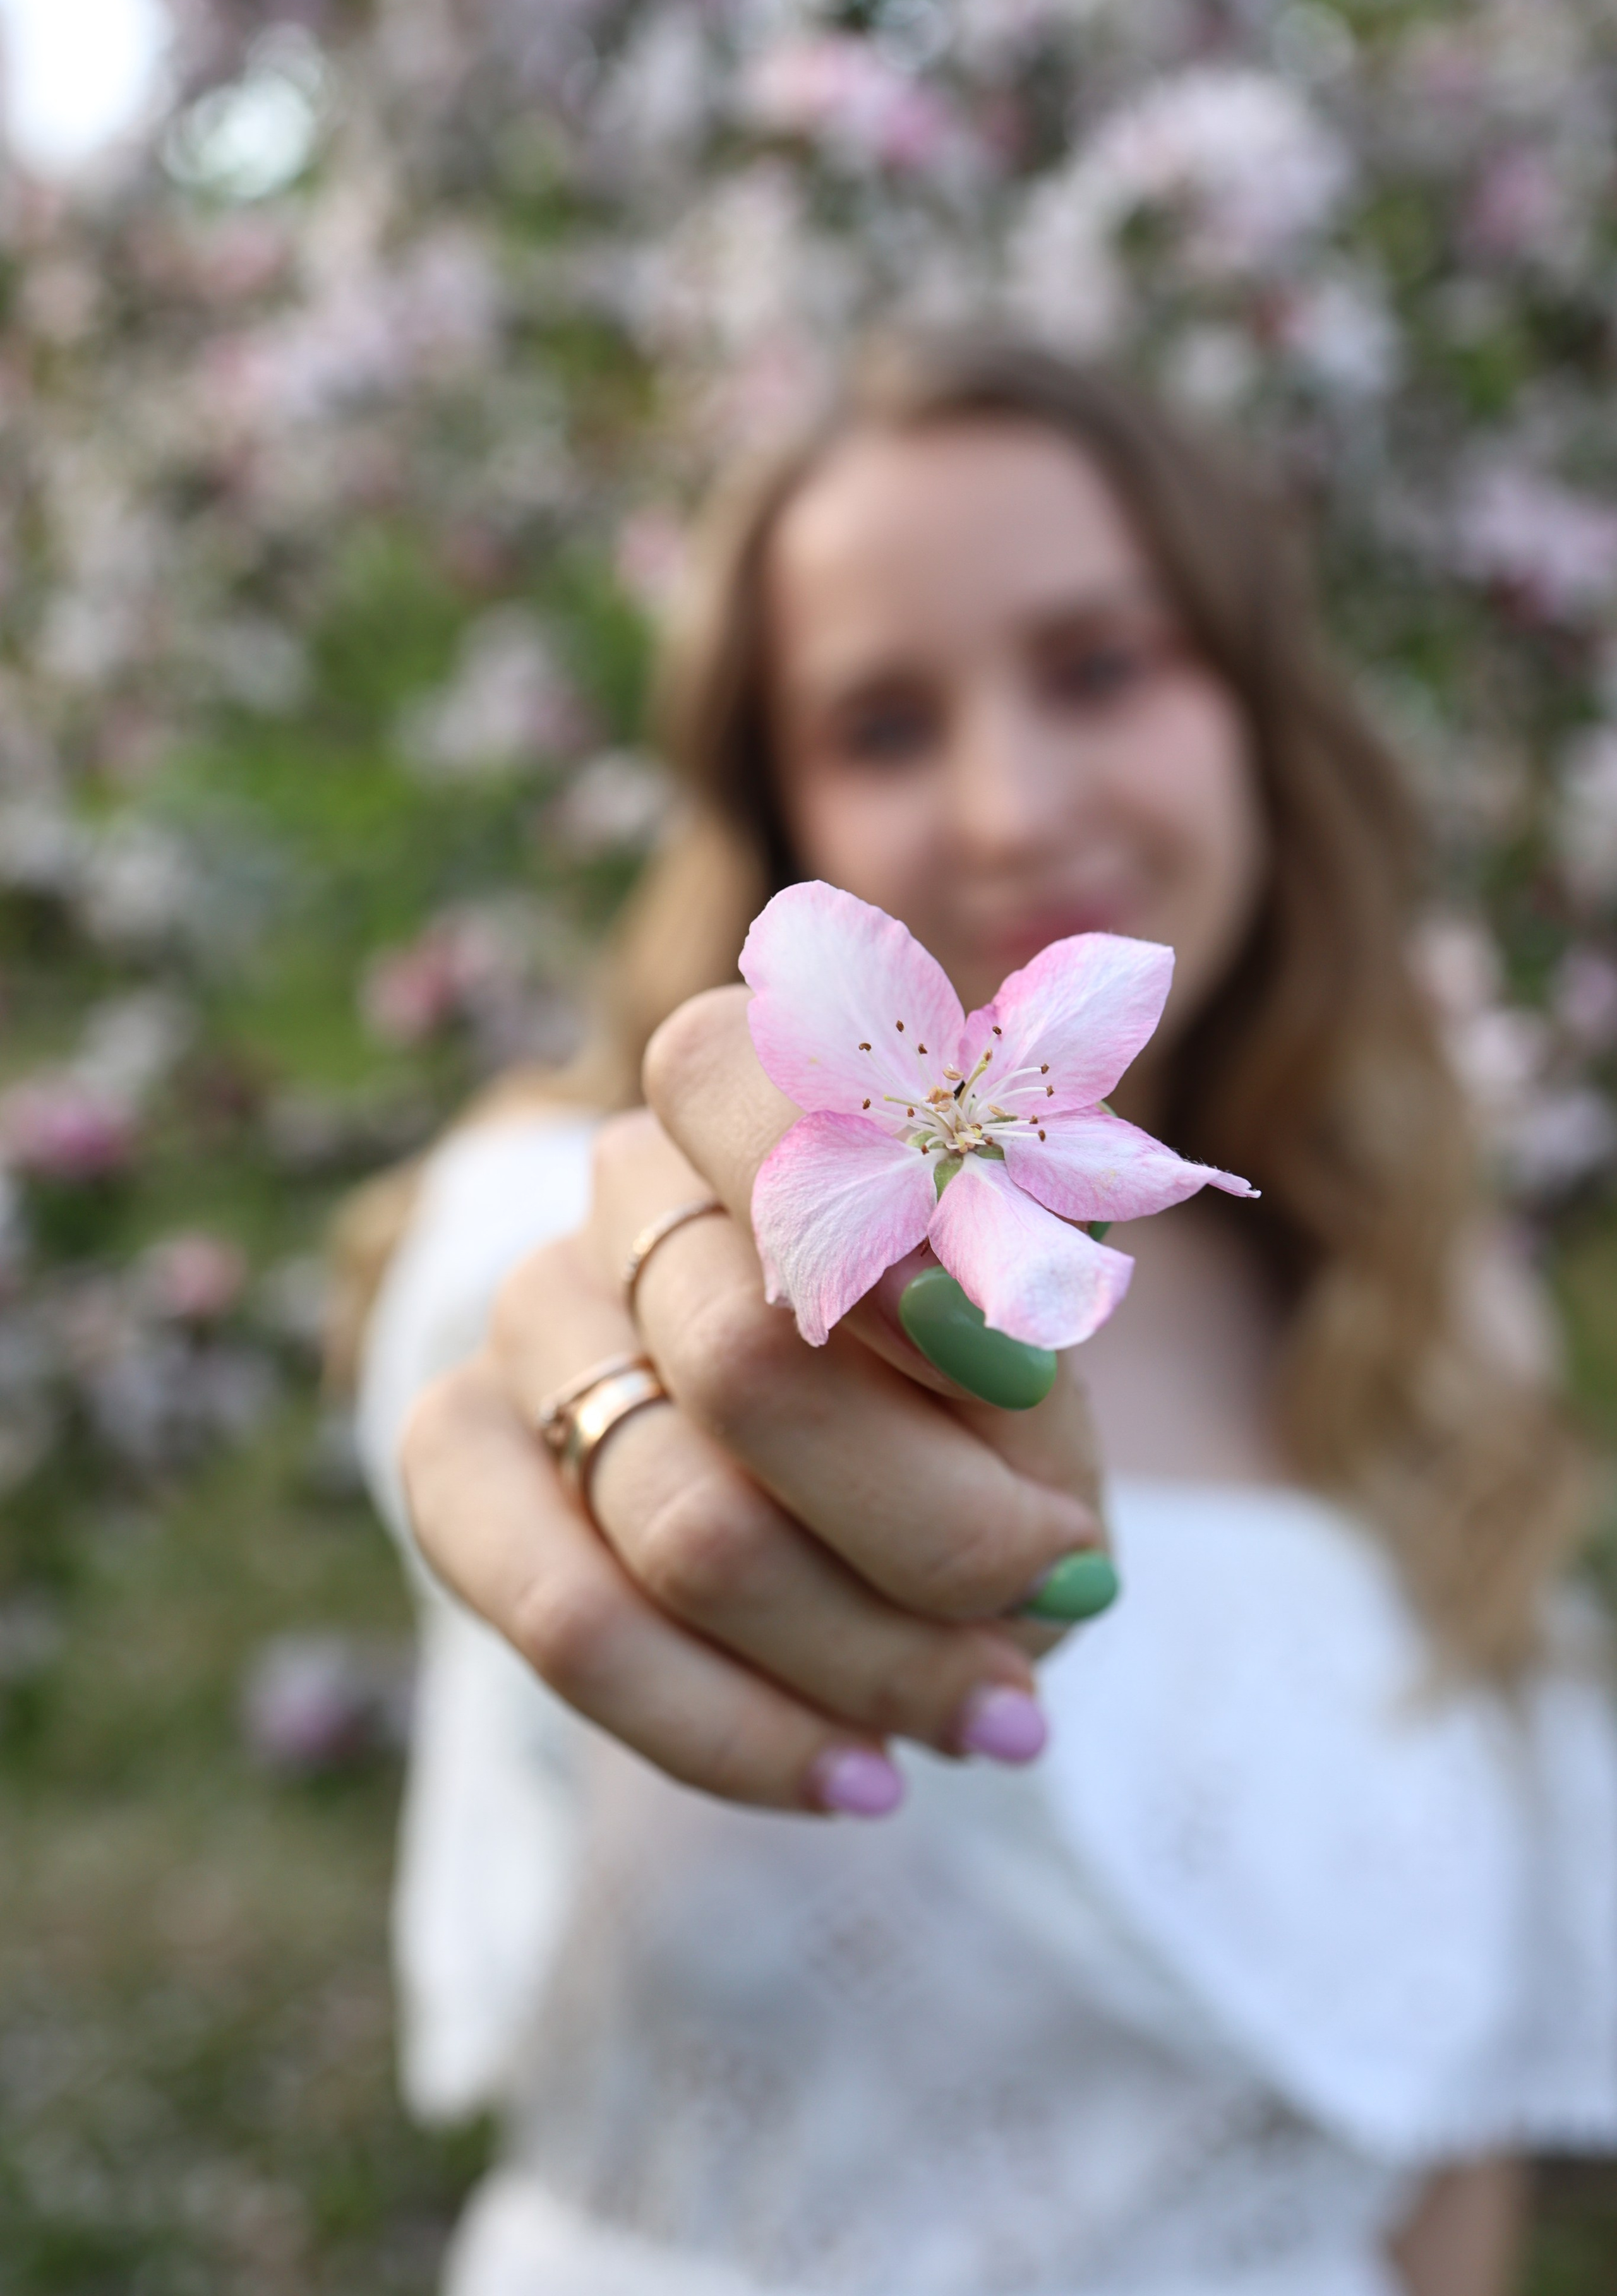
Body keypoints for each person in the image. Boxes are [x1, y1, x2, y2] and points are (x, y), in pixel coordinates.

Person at [340, 339, 1617, 2296]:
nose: (1013, 811)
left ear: (1254, 709)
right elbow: (541, 1319)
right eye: (882, 726)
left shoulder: (1429, 1328)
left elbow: (1446, 2142)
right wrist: (616, 1379)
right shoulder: (584, 1212)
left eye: (1099, 667)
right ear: (781, 813)